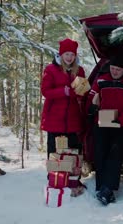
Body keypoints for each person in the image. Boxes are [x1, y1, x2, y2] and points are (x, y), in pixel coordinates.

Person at [86, 57, 123, 206]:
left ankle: (108, 189)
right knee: (99, 153)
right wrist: (91, 108)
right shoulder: (101, 79)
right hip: (101, 121)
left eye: (118, 69)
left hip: (121, 124)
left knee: (115, 154)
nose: (114, 72)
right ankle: (101, 187)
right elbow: (91, 96)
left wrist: (122, 121)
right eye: (112, 68)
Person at [40, 38, 86, 197]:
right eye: (67, 54)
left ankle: (73, 179)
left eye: (72, 54)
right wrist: (63, 91)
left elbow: (82, 91)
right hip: (55, 119)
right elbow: (45, 91)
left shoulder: (79, 71)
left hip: (73, 118)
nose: (69, 57)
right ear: (61, 54)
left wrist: (81, 93)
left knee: (73, 150)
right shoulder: (51, 69)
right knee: (55, 151)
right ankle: (54, 178)